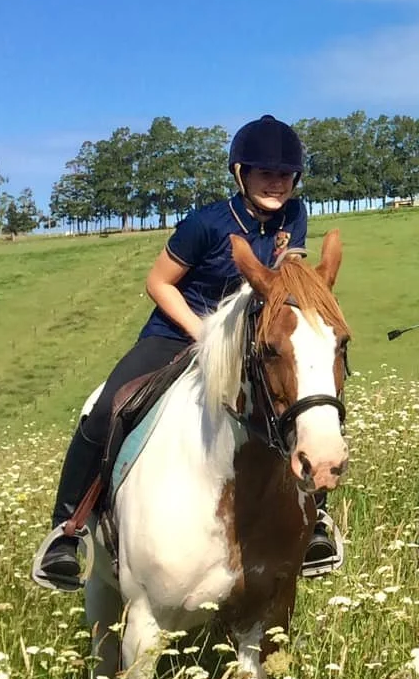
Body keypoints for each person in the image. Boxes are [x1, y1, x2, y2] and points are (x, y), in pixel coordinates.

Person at [31, 115, 344, 588]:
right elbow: (158, 283)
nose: (276, 183)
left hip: (248, 339)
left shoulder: (293, 216)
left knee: (305, 400)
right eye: (265, 173)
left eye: (285, 175)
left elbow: (285, 283)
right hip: (180, 333)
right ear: (241, 175)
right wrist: (203, 333)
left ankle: (314, 517)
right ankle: (67, 531)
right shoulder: (204, 223)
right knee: (106, 408)